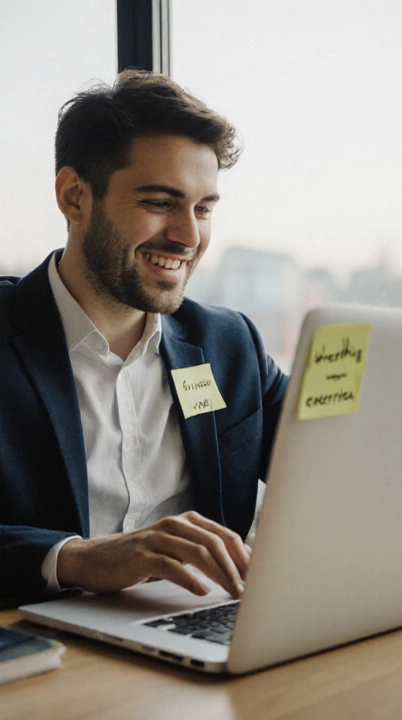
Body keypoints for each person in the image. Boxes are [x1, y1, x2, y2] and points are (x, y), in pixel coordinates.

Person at [0, 70, 288, 602]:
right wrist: (77, 558)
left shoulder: (232, 346)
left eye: (203, 209)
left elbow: (339, 467)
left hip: (198, 635)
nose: (189, 236)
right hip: (37, 655)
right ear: (74, 197)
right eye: (160, 203)